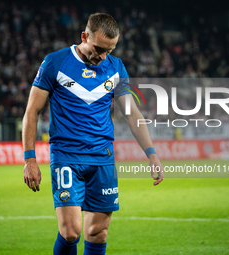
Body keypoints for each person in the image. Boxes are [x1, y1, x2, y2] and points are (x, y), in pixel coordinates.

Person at [22, 13, 164, 255]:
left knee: (98, 233)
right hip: (67, 156)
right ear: (84, 36)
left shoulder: (116, 67)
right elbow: (31, 112)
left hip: (102, 158)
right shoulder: (55, 63)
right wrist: (29, 159)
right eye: (98, 48)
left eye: (109, 50)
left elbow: (132, 114)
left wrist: (151, 154)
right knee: (71, 231)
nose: (102, 56)